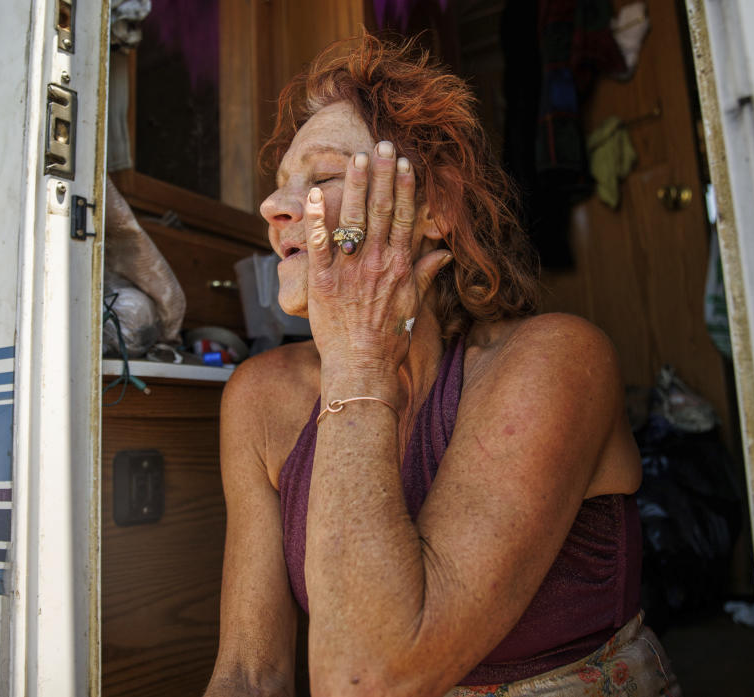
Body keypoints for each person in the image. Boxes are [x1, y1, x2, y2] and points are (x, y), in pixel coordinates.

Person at [205, 34, 680, 697]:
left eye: (322, 178)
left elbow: (369, 677)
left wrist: (360, 361)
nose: (275, 207)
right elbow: (250, 675)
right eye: (282, 185)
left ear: (436, 208)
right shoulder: (263, 396)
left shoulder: (556, 358)